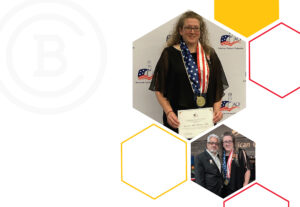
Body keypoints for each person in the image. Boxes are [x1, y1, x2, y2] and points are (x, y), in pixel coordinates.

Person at [149, 11, 228, 133]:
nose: (192, 31)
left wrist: (217, 110)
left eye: (196, 28)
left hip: (205, 118)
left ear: (201, 31)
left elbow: (218, 86)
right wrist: (169, 112)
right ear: (180, 30)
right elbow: (159, 88)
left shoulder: (210, 53)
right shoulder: (169, 54)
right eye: (188, 28)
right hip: (177, 119)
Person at [221, 132, 251, 198]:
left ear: (233, 142)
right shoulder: (220, 155)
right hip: (225, 189)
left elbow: (247, 169)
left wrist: (245, 184)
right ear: (222, 143)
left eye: (230, 141)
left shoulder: (240, 152)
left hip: (238, 187)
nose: (227, 143)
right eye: (225, 141)